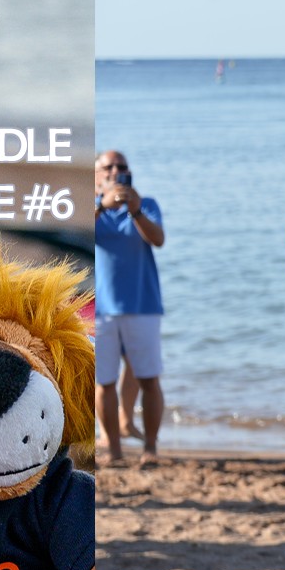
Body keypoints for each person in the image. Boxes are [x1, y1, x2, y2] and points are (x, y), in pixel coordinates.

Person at [93, 150, 166, 468]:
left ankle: (150, 447)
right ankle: (114, 450)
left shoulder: (145, 204)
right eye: (107, 166)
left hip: (142, 306)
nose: (115, 171)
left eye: (121, 166)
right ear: (96, 175)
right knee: (104, 382)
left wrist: (135, 212)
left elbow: (158, 239)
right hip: (101, 310)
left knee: (148, 378)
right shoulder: (92, 208)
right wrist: (101, 204)